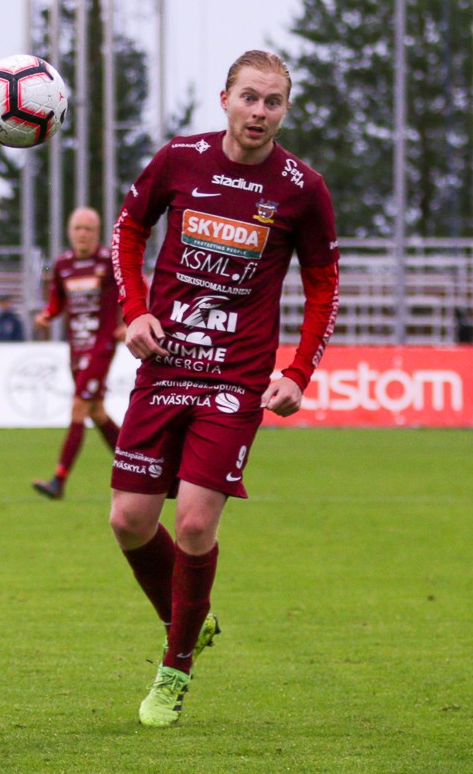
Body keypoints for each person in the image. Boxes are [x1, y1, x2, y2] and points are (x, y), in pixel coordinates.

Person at [107, 49, 340, 727]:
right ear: (225, 99)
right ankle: (190, 619)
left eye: (273, 102)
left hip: (235, 377)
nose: (259, 112)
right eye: (249, 98)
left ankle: (174, 669)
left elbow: (323, 283)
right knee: (128, 521)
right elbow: (129, 229)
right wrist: (135, 311)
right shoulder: (179, 160)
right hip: (164, 364)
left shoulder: (302, 188)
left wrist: (297, 372)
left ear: (285, 110)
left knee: (193, 522)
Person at [30, 206, 123, 498]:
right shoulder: (62, 264)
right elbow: (58, 300)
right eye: (77, 228)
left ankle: (58, 480)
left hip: (101, 344)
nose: (82, 234)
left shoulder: (110, 261)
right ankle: (138, 466)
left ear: (97, 233)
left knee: (79, 407)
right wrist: (47, 315)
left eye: (88, 229)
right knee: (96, 411)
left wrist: (128, 323)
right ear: (69, 232)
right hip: (76, 346)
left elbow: (136, 289)